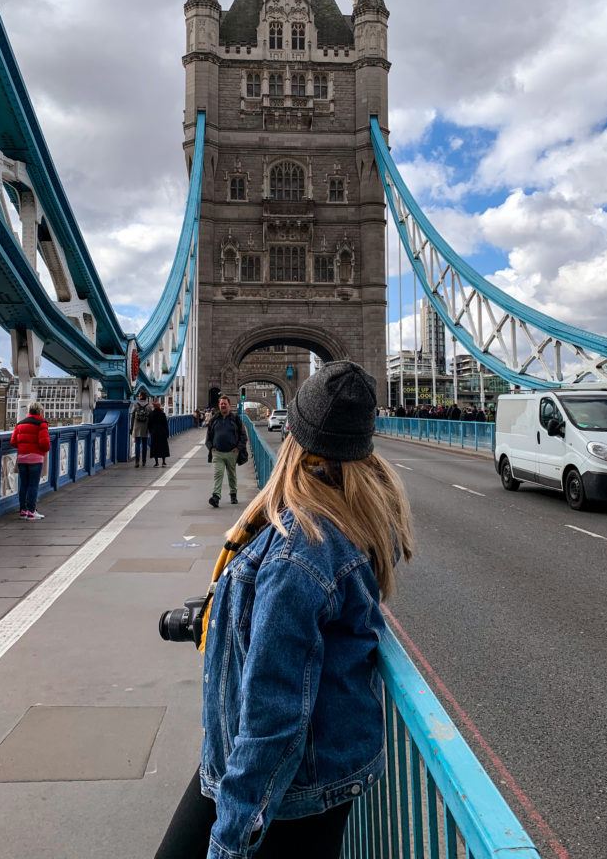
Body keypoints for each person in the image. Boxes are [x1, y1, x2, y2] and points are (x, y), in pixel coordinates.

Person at [155, 361, 413, 859]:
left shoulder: (302, 549)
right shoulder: (341, 518)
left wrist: (230, 842)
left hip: (278, 788)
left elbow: (275, 715)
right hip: (285, 774)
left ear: (292, 432)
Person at [10, 402, 51, 521]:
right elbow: (44, 444)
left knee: (24, 484)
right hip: (35, 458)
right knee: (33, 484)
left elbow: (13, 442)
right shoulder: (41, 424)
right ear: (40, 412)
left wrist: (23, 447)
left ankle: (23, 510)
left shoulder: (20, 424)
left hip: (22, 458)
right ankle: (32, 511)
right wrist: (44, 449)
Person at [205, 395, 247, 507]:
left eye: (225, 403)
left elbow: (243, 436)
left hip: (231, 453)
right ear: (219, 406)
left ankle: (233, 494)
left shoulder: (235, 419)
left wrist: (238, 448)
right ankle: (216, 497)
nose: (223, 405)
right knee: (218, 474)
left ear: (229, 405)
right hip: (217, 452)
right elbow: (208, 437)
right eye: (221, 404)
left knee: (231, 475)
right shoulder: (214, 419)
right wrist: (211, 447)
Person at [131, 390, 151, 467]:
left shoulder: (135, 405)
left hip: (137, 427)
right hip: (145, 428)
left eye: (139, 395)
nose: (138, 396)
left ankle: (137, 462)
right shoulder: (149, 406)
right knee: (145, 445)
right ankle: (144, 462)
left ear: (141, 396)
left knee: (137, 445)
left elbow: (132, 417)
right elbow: (151, 418)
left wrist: (131, 427)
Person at [148, 399, 170, 467]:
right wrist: (167, 433)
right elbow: (166, 424)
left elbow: (149, 424)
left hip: (154, 432)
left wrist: (151, 431)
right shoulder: (162, 414)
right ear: (159, 406)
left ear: (154, 407)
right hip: (162, 432)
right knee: (163, 447)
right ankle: (163, 462)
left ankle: (156, 463)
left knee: (155, 447)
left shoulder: (151, 414)